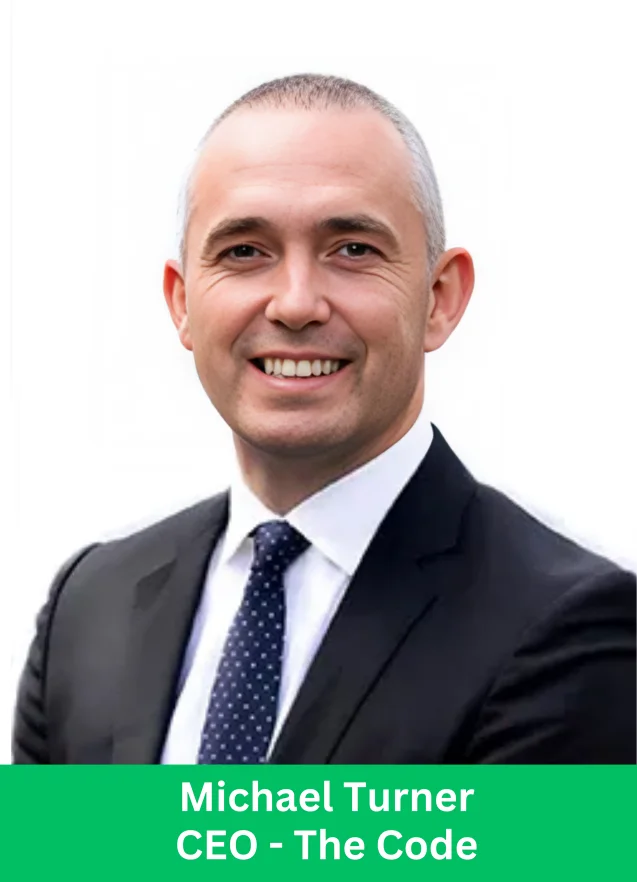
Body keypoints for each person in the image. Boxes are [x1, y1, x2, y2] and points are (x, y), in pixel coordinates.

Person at [13, 73, 635, 765]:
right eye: (244, 252)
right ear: (182, 302)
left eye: (352, 250)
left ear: (438, 298)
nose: (296, 303)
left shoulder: (573, 630)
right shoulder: (90, 606)